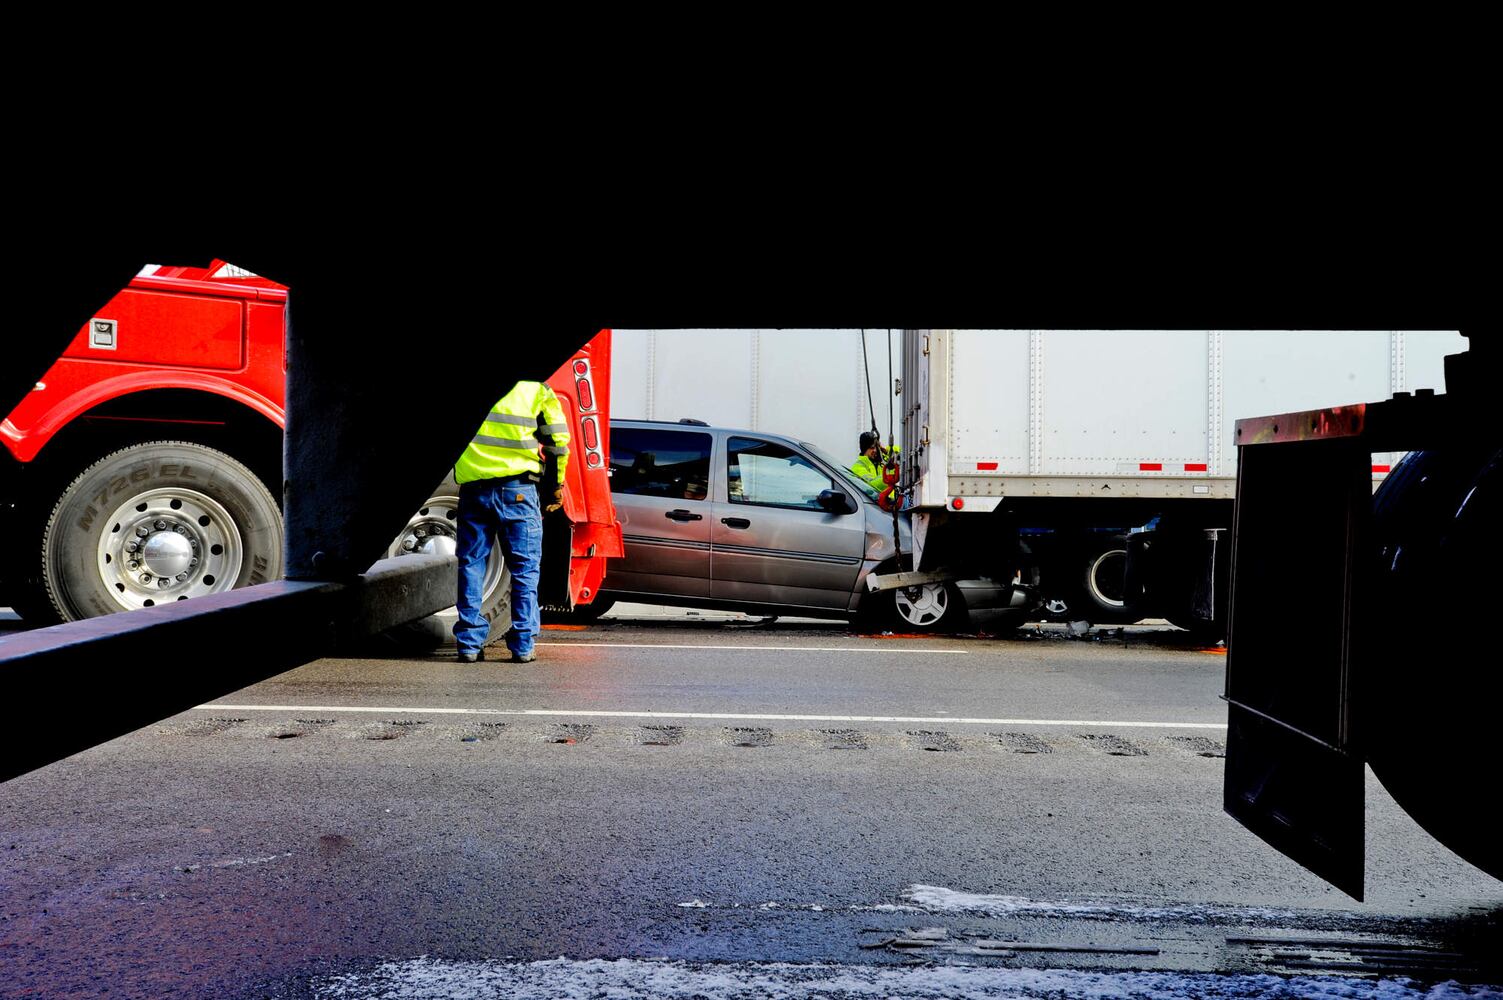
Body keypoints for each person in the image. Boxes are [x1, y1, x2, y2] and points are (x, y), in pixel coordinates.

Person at [452, 380, 570, 664]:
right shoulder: (534, 387)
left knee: (471, 564)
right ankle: (522, 645)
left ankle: (469, 644)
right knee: (524, 569)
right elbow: (557, 443)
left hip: (474, 490)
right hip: (518, 491)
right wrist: (554, 486)